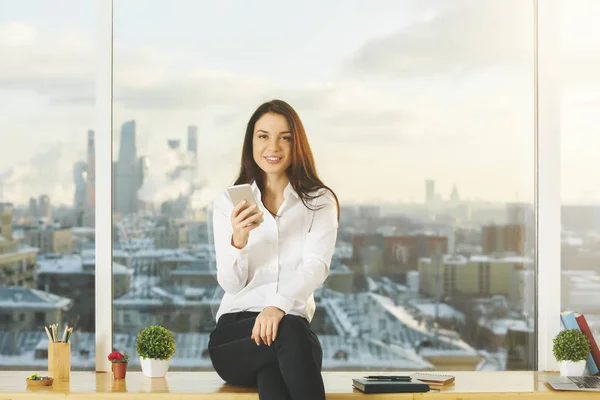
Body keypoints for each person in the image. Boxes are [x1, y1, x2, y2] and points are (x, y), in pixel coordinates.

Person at [208, 99, 339, 400]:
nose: (273, 147)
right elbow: (230, 284)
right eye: (263, 136)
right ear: (251, 142)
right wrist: (238, 240)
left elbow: (316, 265)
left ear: (297, 144)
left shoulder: (319, 202)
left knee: (275, 374)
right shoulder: (229, 203)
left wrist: (277, 306)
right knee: (289, 339)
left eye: (285, 138)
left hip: (290, 336)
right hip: (237, 337)